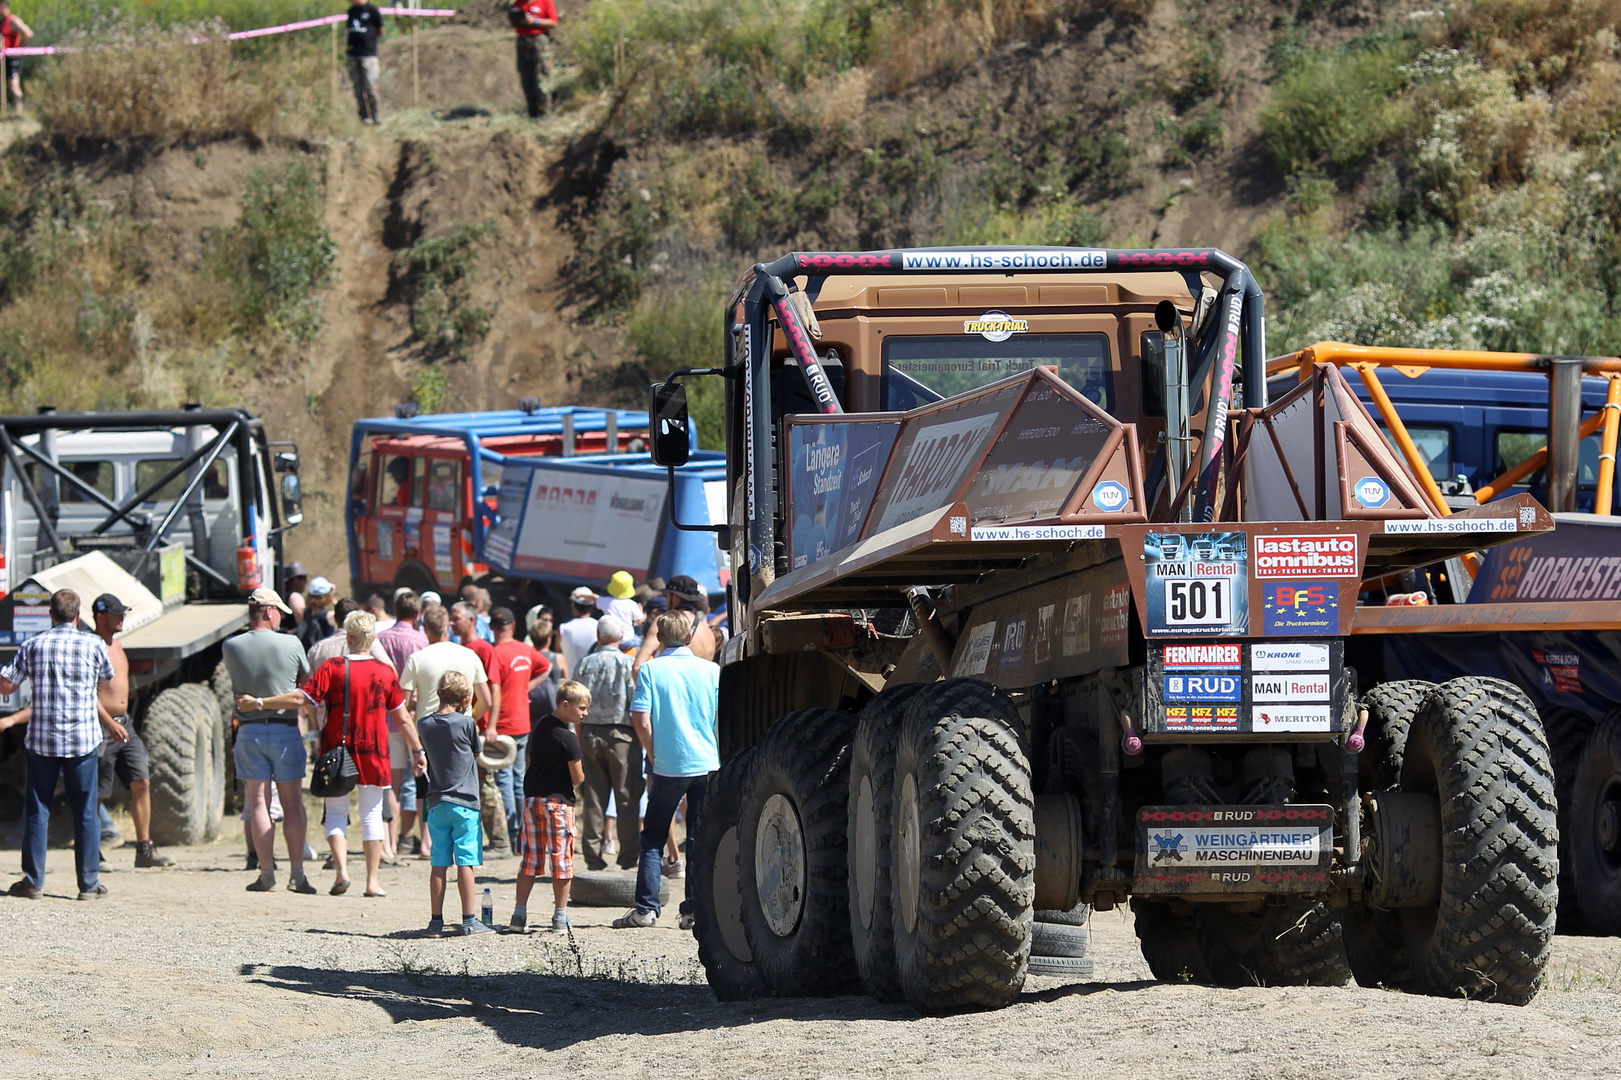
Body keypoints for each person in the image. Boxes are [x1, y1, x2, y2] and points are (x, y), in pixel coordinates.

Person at [243, 611, 418, 897]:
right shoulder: (385, 672)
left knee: (336, 813)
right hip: (374, 751)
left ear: (348, 638)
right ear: (371, 639)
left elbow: (301, 697)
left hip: (338, 749)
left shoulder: (333, 667)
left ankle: (341, 873)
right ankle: (372, 882)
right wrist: (418, 750)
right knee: (372, 814)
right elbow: (403, 719)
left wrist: (260, 702)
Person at [0, 590, 118, 900]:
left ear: (50, 615)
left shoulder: (33, 644)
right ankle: (89, 884)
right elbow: (107, 683)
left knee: (38, 811)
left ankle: (33, 881)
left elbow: (6, 685)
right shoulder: (93, 644)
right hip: (82, 741)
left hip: (42, 741)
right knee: (85, 814)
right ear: (78, 616)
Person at [612, 610, 719, 930]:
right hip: (706, 761)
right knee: (699, 839)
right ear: (689, 637)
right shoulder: (711, 670)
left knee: (654, 838)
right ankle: (694, 911)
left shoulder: (650, 670)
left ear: (659, 638)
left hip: (669, 765)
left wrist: (652, 752)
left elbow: (641, 720)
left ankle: (646, 909)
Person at [223, 588, 316, 893]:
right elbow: (305, 687)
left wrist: (256, 700)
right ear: (268, 612)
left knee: (259, 802)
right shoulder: (291, 643)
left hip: (249, 731)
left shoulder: (231, 646)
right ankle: (298, 874)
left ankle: (266, 872)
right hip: (285, 729)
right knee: (292, 804)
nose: (280, 619)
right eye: (278, 612)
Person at [89, 594, 175, 871]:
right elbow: (87, 693)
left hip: (124, 725)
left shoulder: (118, 645)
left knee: (141, 782)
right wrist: (109, 722)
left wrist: (120, 721)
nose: (121, 618)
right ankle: (92, 852)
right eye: (116, 614)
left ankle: (144, 849)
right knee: (98, 791)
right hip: (101, 727)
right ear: (100, 617)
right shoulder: (90, 646)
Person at [416, 671, 492, 936]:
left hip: (436, 801)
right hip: (465, 803)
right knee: (465, 862)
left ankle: (435, 922)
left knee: (439, 863)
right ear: (464, 699)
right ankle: (470, 921)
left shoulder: (423, 724)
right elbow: (477, 752)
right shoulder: (466, 723)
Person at [511, 680, 585, 934]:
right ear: (566, 705)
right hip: (559, 804)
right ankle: (560, 917)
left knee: (530, 859)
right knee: (561, 861)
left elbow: (530, 758)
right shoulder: (569, 738)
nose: (585, 713)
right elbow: (577, 778)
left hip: (532, 800)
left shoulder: (541, 725)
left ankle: (519, 914)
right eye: (582, 708)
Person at [572, 614, 641, 872]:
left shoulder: (583, 664)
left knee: (593, 798)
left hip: (590, 732)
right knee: (627, 797)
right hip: (622, 734)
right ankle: (628, 857)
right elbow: (636, 704)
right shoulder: (628, 664)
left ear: (599, 636)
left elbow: (575, 701)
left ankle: (592, 857)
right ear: (620, 637)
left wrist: (579, 735)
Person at [449, 600, 507, 855]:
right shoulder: (460, 649)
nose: (452, 623)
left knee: (486, 785)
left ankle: (500, 841)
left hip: (480, 729)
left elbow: (494, 688)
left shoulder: (483, 648)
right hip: (465, 728)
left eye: (456, 618)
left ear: (471, 620)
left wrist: (491, 725)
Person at [489, 608, 549, 852]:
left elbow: (493, 690)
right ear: (513, 626)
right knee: (518, 780)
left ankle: (512, 835)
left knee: (504, 780)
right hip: (522, 723)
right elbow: (546, 667)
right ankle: (524, 833)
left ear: (493, 627)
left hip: (502, 725)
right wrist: (526, 687)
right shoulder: (526, 650)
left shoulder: (494, 653)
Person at [632, 575, 717, 675]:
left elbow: (637, 667)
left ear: (674, 597)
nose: (666, 600)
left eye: (667, 596)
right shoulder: (708, 632)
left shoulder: (664, 622)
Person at [510, 0, 558, 120]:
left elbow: (553, 22)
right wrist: (518, 21)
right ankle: (532, 113)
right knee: (526, 78)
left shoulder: (545, 2)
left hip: (539, 40)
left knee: (541, 78)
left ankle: (545, 114)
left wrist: (535, 21)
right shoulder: (518, 3)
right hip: (522, 41)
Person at [346, 0, 385, 125]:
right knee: (358, 87)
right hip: (352, 55)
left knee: (371, 86)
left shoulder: (372, 10)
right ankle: (364, 116)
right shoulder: (351, 11)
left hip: (368, 55)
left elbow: (380, 31)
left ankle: (376, 115)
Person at [558, 587, 598, 671]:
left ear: (573, 604)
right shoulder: (599, 627)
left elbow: (558, 653)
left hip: (569, 680)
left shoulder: (563, 628)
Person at [0, 3, 33, 107]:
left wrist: (19, 47)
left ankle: (19, 111)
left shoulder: (13, 20)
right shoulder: (2, 22)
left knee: (14, 85)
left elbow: (28, 33)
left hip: (13, 57)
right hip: (4, 57)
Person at [297, 576, 336, 652]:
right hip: (324, 654)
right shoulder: (330, 616)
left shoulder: (303, 613)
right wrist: (333, 596)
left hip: (308, 653)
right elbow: (343, 612)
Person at [280, 563, 309, 631]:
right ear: (295, 580)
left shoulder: (281, 594)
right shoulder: (294, 596)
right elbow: (300, 613)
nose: (306, 582)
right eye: (304, 579)